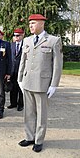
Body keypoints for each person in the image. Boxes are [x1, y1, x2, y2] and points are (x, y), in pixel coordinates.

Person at [17, 14, 63, 152]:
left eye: (33, 23)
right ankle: (29, 136)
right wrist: (20, 78)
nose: (30, 26)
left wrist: (54, 84)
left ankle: (39, 140)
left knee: (41, 114)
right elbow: (23, 61)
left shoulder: (53, 40)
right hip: (27, 82)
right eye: (30, 23)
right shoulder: (27, 40)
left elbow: (57, 64)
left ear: (42, 24)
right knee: (28, 113)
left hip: (42, 83)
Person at [8, 28, 25, 111]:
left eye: (18, 35)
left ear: (22, 35)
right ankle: (13, 103)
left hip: (22, 70)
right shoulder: (11, 45)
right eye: (14, 35)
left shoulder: (26, 45)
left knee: (20, 87)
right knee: (13, 87)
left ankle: (20, 104)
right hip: (12, 70)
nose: (16, 37)